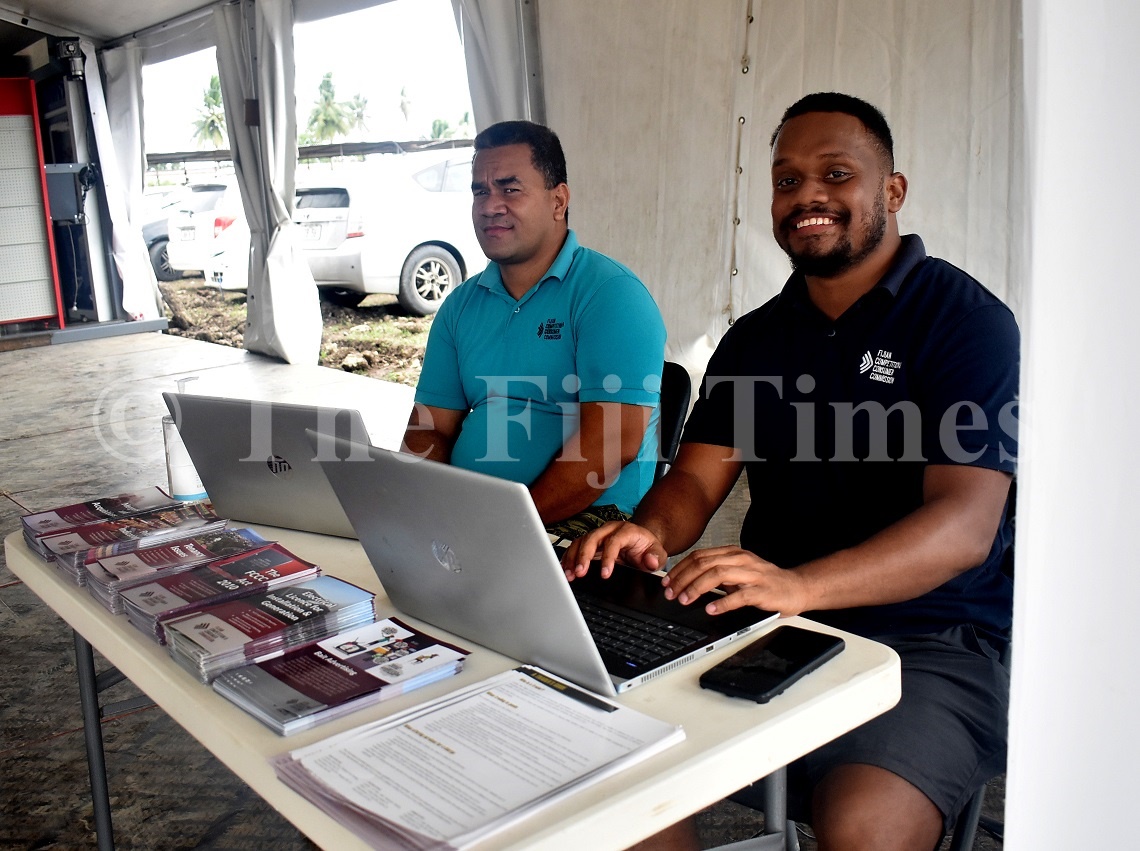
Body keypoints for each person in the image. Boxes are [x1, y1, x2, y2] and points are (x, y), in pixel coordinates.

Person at [565, 92, 1018, 851]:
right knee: (613, 781)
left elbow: (964, 528)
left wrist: (801, 584)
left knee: (863, 825)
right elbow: (696, 482)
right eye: (786, 180)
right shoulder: (755, 338)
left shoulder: (965, 321)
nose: (807, 195)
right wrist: (643, 532)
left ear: (892, 191)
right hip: (766, 621)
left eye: (836, 174)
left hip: (931, 639)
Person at [402, 120, 667, 527]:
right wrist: (435, 505)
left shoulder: (611, 295)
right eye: (480, 191)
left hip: (592, 518)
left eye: (510, 189)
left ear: (558, 200)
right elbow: (427, 429)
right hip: (474, 516)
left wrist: (506, 527)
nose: (490, 205)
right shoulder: (460, 306)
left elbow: (610, 446)